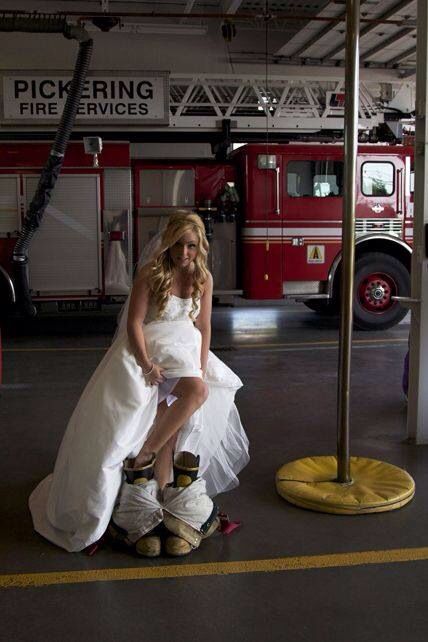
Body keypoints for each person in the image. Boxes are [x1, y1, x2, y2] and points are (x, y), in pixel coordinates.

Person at [29, 211, 249, 555]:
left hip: (185, 348)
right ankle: (148, 489)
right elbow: (133, 323)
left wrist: (201, 366)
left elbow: (204, 327)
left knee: (193, 398)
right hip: (152, 346)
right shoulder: (151, 273)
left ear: (200, 246)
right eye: (178, 244)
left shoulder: (202, 278)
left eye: (191, 246)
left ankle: (150, 473)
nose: (184, 252)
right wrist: (147, 365)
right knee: (160, 416)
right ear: (169, 242)